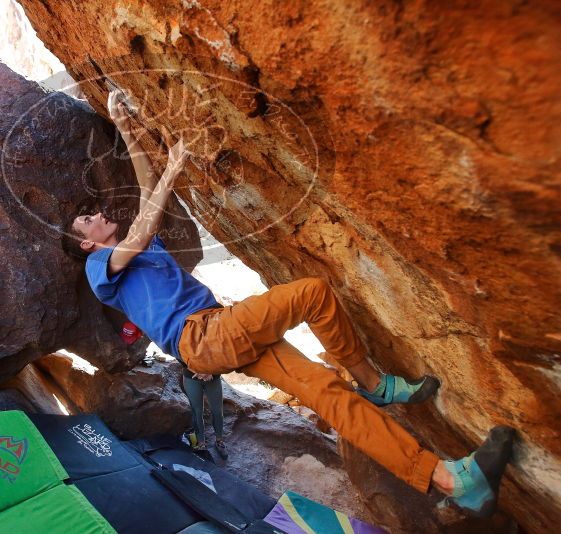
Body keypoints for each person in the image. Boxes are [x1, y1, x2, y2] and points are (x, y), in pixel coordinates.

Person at [64, 91, 516, 519]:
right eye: (89, 219)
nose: (99, 213)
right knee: (311, 293)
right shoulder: (99, 267)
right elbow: (144, 223)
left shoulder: (137, 249)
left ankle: (453, 481)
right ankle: (374, 383)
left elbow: (146, 198)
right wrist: (174, 169)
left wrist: (125, 126)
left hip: (217, 332)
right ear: (87, 243)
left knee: (326, 392)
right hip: (203, 337)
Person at [182, 368, 227, 458]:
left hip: (213, 375)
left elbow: (223, 355)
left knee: (217, 410)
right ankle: (201, 443)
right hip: (191, 376)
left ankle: (219, 441)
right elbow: (177, 354)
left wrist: (210, 371)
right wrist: (195, 369)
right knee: (197, 412)